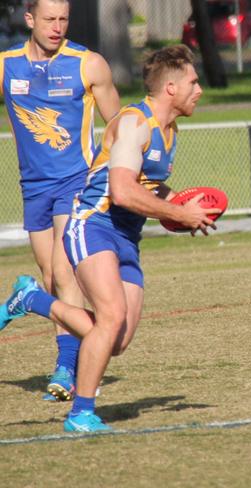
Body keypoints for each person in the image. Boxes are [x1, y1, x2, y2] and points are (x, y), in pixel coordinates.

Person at [0, 44, 216, 432]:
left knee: (117, 339)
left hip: (127, 236)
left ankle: (30, 298)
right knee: (110, 317)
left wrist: (182, 202)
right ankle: (81, 414)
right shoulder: (136, 123)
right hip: (93, 223)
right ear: (170, 88)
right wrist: (180, 212)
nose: (199, 89)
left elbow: (146, 185)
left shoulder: (170, 131)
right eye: (193, 82)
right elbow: (121, 191)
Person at [0, 0, 120, 401]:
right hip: (33, 187)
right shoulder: (6, 65)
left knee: (65, 275)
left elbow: (119, 129)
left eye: (63, 19)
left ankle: (67, 369)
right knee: (51, 279)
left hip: (76, 184)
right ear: (29, 19)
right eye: (49, 19)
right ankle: (28, 296)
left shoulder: (89, 64)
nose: (57, 27)